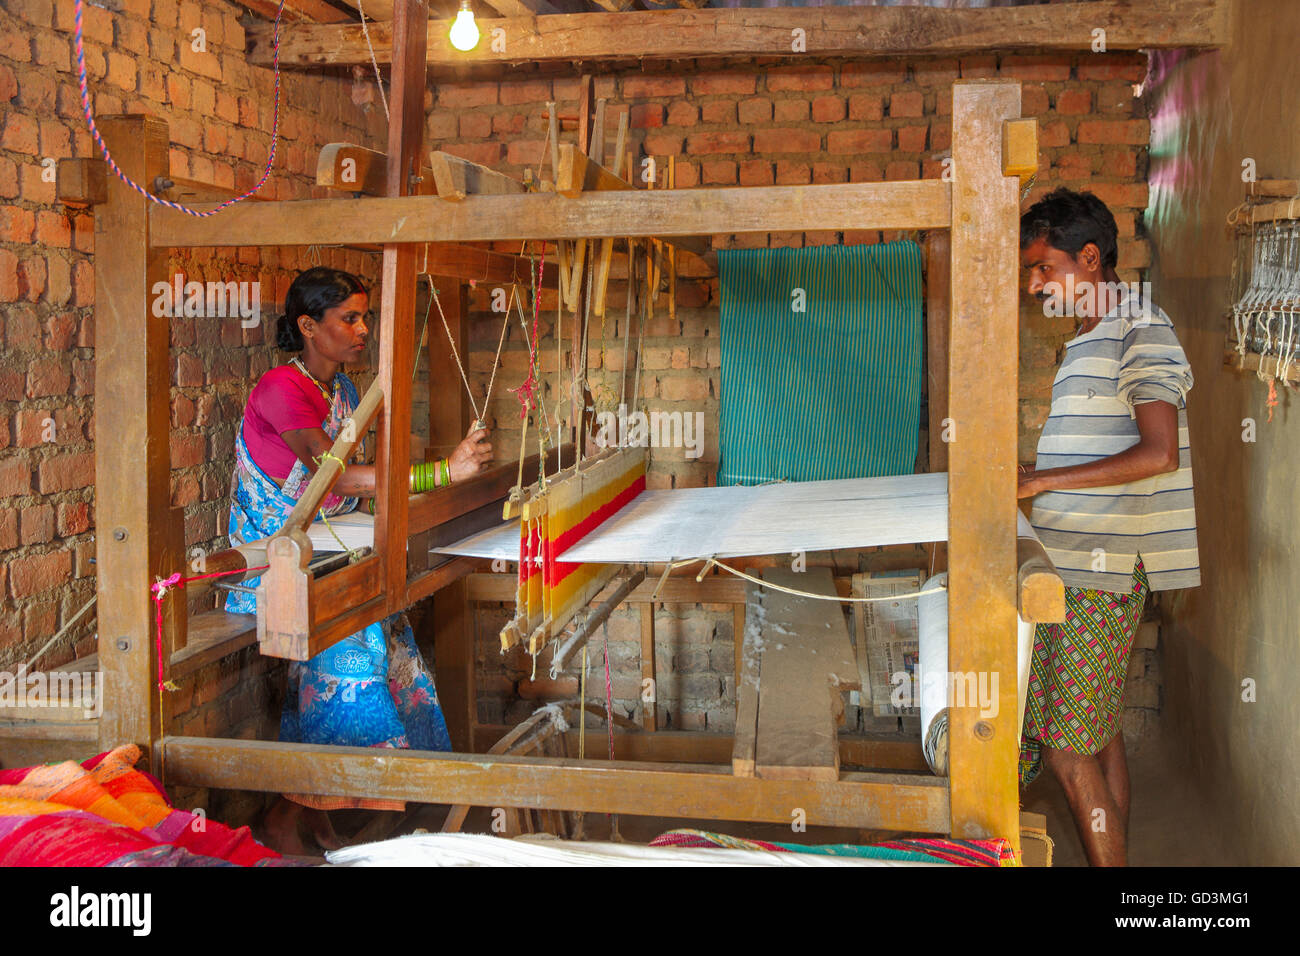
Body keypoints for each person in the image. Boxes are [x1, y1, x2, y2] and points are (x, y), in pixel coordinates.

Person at [226, 267, 493, 854]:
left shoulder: (343, 391)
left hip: (329, 547)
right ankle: (289, 813)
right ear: (307, 326)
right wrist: (444, 473)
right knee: (357, 649)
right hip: (273, 562)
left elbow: (354, 488)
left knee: (391, 642)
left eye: (366, 316)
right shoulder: (280, 388)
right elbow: (336, 476)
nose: (363, 328)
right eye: (349, 318)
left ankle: (318, 807)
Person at [1017, 188, 1200, 867]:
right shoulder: (1095, 334)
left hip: (1103, 570)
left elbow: (1158, 452)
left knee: (1068, 751)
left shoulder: (1140, 329)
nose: (1034, 285)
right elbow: (1102, 451)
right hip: (1080, 563)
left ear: (1090, 259)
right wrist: (1038, 467)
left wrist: (1038, 482)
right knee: (1097, 736)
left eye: (1044, 268)